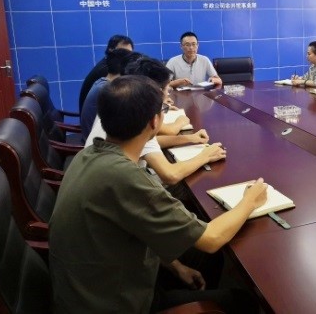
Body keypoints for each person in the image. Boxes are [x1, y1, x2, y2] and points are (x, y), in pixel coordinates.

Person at [50, 75, 266, 313]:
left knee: (205, 261)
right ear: (155, 122)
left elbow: (134, 229)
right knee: (242, 301)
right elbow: (212, 239)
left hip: (90, 286)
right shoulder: (126, 178)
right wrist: (250, 200)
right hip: (114, 303)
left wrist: (176, 267)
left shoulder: (88, 154)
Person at [86, 57, 226, 186]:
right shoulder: (141, 118)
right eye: (167, 89)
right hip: (122, 185)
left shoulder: (122, 104)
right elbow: (170, 175)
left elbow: (149, 142)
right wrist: (206, 155)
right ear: (155, 90)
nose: (168, 93)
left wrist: (190, 138)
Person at [80, 48, 133, 142]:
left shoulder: (102, 82)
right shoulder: (108, 90)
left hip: (94, 138)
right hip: (96, 143)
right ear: (125, 69)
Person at [78, 34, 134, 112]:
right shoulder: (107, 70)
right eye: (122, 52)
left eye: (129, 54)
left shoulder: (106, 64)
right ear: (111, 50)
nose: (127, 57)